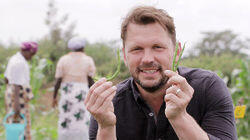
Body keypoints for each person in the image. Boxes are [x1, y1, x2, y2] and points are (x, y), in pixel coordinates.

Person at [85, 6, 237, 140]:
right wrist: (106, 127)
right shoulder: (108, 103)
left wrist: (180, 117)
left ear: (177, 52)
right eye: (137, 49)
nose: (147, 59)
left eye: (157, 47)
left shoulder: (208, 87)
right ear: (125, 56)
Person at [53, 37, 96, 140]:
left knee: (66, 117)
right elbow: (90, 80)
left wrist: (54, 97)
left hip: (67, 92)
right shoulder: (88, 60)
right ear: (83, 47)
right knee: (82, 117)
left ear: (71, 48)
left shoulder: (63, 60)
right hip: (82, 93)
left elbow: (58, 81)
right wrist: (94, 95)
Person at [4, 42, 38, 140]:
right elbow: (16, 85)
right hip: (18, 98)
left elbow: (7, 79)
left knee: (14, 125)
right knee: (20, 124)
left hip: (12, 94)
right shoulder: (19, 63)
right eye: (31, 54)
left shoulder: (14, 59)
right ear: (26, 51)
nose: (31, 57)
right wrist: (17, 107)